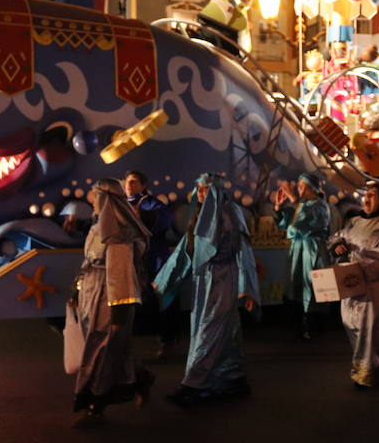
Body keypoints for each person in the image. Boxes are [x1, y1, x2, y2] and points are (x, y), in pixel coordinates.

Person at [154, 173, 260, 407]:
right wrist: (164, 278)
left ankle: (194, 384)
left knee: (209, 330)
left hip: (225, 278)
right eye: (198, 189)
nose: (199, 193)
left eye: (204, 189)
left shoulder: (230, 213)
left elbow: (243, 250)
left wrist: (247, 288)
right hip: (205, 281)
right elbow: (186, 248)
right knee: (223, 332)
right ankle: (233, 379)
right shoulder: (201, 215)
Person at [71, 179, 154, 428]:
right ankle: (139, 378)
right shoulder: (100, 226)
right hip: (92, 291)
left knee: (102, 348)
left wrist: (119, 311)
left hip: (108, 296)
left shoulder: (116, 233)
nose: (90, 199)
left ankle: (97, 404)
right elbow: (89, 261)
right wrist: (77, 291)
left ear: (104, 199)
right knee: (105, 346)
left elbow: (120, 275)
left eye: (94, 195)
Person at [328, 182, 379, 389]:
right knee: (352, 324)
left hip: (375, 288)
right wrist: (337, 247)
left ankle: (369, 374)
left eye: (372, 195)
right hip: (352, 284)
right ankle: (366, 366)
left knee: (370, 329)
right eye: (366, 195)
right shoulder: (354, 222)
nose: (367, 198)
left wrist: (359, 262)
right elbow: (337, 238)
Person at [123, 170, 177, 360]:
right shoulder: (119, 204)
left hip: (154, 260)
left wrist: (143, 216)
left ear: (143, 186)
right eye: (128, 181)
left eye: (135, 182)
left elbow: (166, 218)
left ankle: (166, 343)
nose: (130, 185)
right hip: (131, 261)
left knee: (162, 300)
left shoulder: (149, 203)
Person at [274, 174, 331, 339]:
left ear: (311, 187)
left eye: (302, 185)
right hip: (298, 249)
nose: (299, 188)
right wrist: (279, 207)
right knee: (296, 285)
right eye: (298, 185)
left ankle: (314, 325)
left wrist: (293, 198)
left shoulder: (320, 205)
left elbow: (306, 218)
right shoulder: (302, 205)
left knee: (312, 286)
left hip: (312, 249)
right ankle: (298, 324)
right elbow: (287, 224)